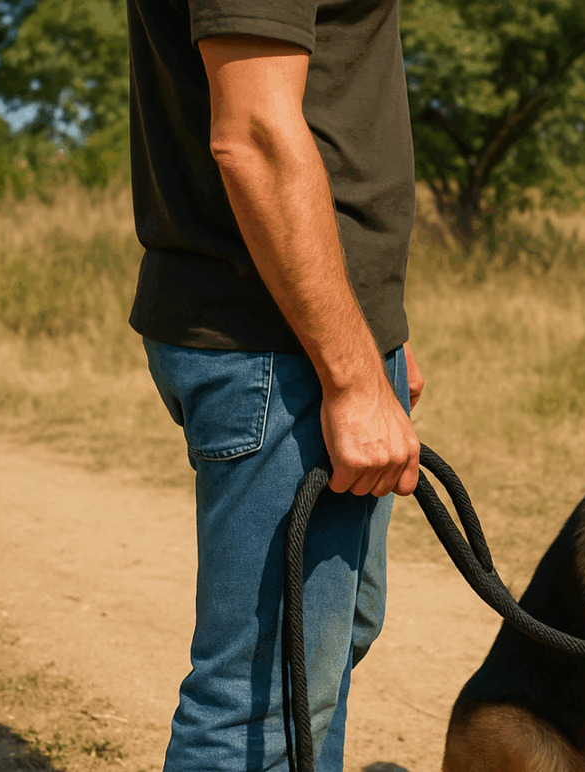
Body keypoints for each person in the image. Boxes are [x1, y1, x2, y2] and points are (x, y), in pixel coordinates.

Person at [125, 0, 421, 768]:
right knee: (258, 702)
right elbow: (253, 135)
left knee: (320, 656)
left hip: (321, 334)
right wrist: (354, 378)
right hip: (278, 345)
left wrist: (382, 335)